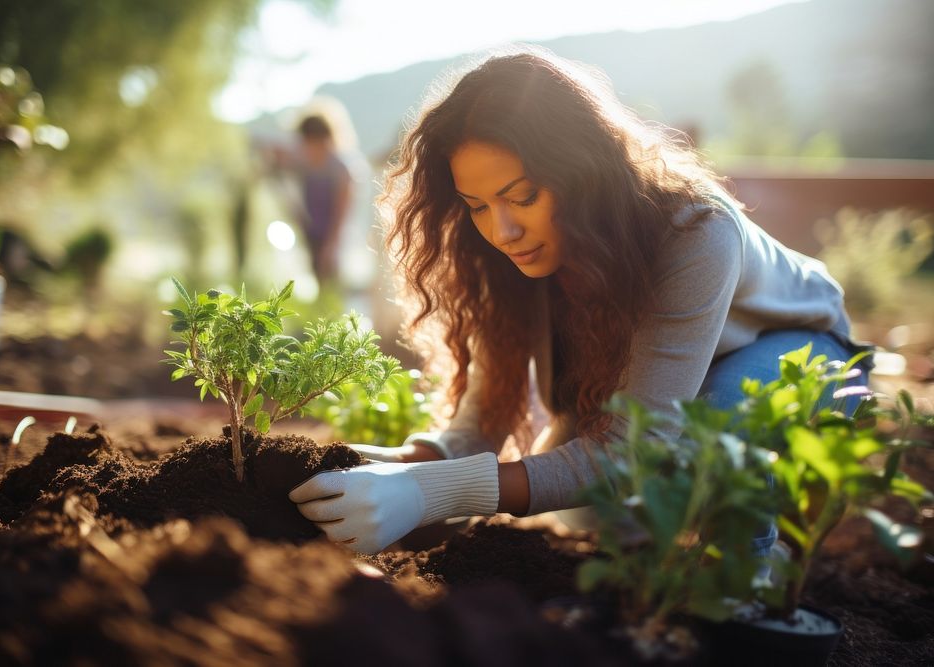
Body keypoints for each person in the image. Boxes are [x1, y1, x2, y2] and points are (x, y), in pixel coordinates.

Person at [289, 48, 872, 555]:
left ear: (582, 171)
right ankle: (663, 542)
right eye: (477, 204)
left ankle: (751, 587)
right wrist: (394, 466)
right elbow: (482, 425)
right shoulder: (508, 256)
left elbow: (629, 452)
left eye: (523, 196)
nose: (502, 230)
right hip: (668, 384)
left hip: (797, 352)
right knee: (584, 508)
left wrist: (430, 493)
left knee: (708, 440)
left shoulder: (693, 231)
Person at [267, 113, 353, 286]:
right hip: (311, 230)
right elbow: (279, 160)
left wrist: (331, 244)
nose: (308, 148)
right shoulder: (304, 163)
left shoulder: (339, 169)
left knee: (330, 279)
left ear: (324, 140)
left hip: (334, 235)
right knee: (317, 275)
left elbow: (342, 211)